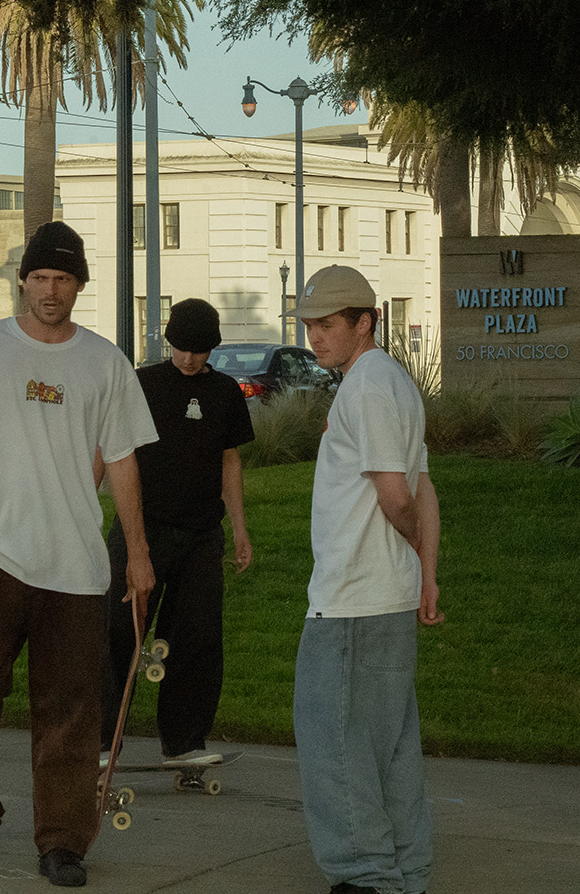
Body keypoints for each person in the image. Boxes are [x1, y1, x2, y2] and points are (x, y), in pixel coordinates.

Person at [0, 220, 159, 889]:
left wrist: (137, 552)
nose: (50, 290)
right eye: (39, 277)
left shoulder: (104, 362)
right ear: (23, 281)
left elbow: (123, 461)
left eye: (62, 278)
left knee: (70, 714)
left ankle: (62, 842)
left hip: (75, 567)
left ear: (79, 285)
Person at [291, 265, 443, 894]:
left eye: (328, 325)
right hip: (384, 595)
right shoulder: (392, 382)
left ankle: (366, 877)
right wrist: (426, 574)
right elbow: (423, 485)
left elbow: (396, 496)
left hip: (352, 599)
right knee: (389, 747)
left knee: (334, 743)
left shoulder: (368, 386)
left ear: (365, 322)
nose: (315, 337)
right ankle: (405, 872)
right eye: (309, 325)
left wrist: (415, 549)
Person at [101, 297, 255, 766]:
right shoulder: (142, 384)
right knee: (119, 633)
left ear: (213, 349)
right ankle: (100, 741)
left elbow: (230, 461)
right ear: (168, 342)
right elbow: (114, 451)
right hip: (143, 530)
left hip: (202, 535)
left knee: (195, 638)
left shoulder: (225, 393)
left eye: (199, 351)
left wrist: (240, 529)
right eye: (182, 349)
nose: (189, 359)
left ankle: (185, 741)